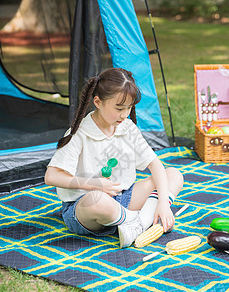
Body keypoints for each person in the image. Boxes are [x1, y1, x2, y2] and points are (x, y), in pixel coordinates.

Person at [45, 68, 183, 248]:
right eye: (119, 108)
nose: (124, 114)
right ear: (98, 102)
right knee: (97, 200)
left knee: (173, 175)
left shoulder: (127, 127)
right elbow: (51, 177)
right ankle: (138, 220)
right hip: (85, 207)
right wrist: (95, 184)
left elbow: (155, 165)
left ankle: (137, 224)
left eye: (129, 108)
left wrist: (164, 204)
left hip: (123, 198)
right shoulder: (79, 134)